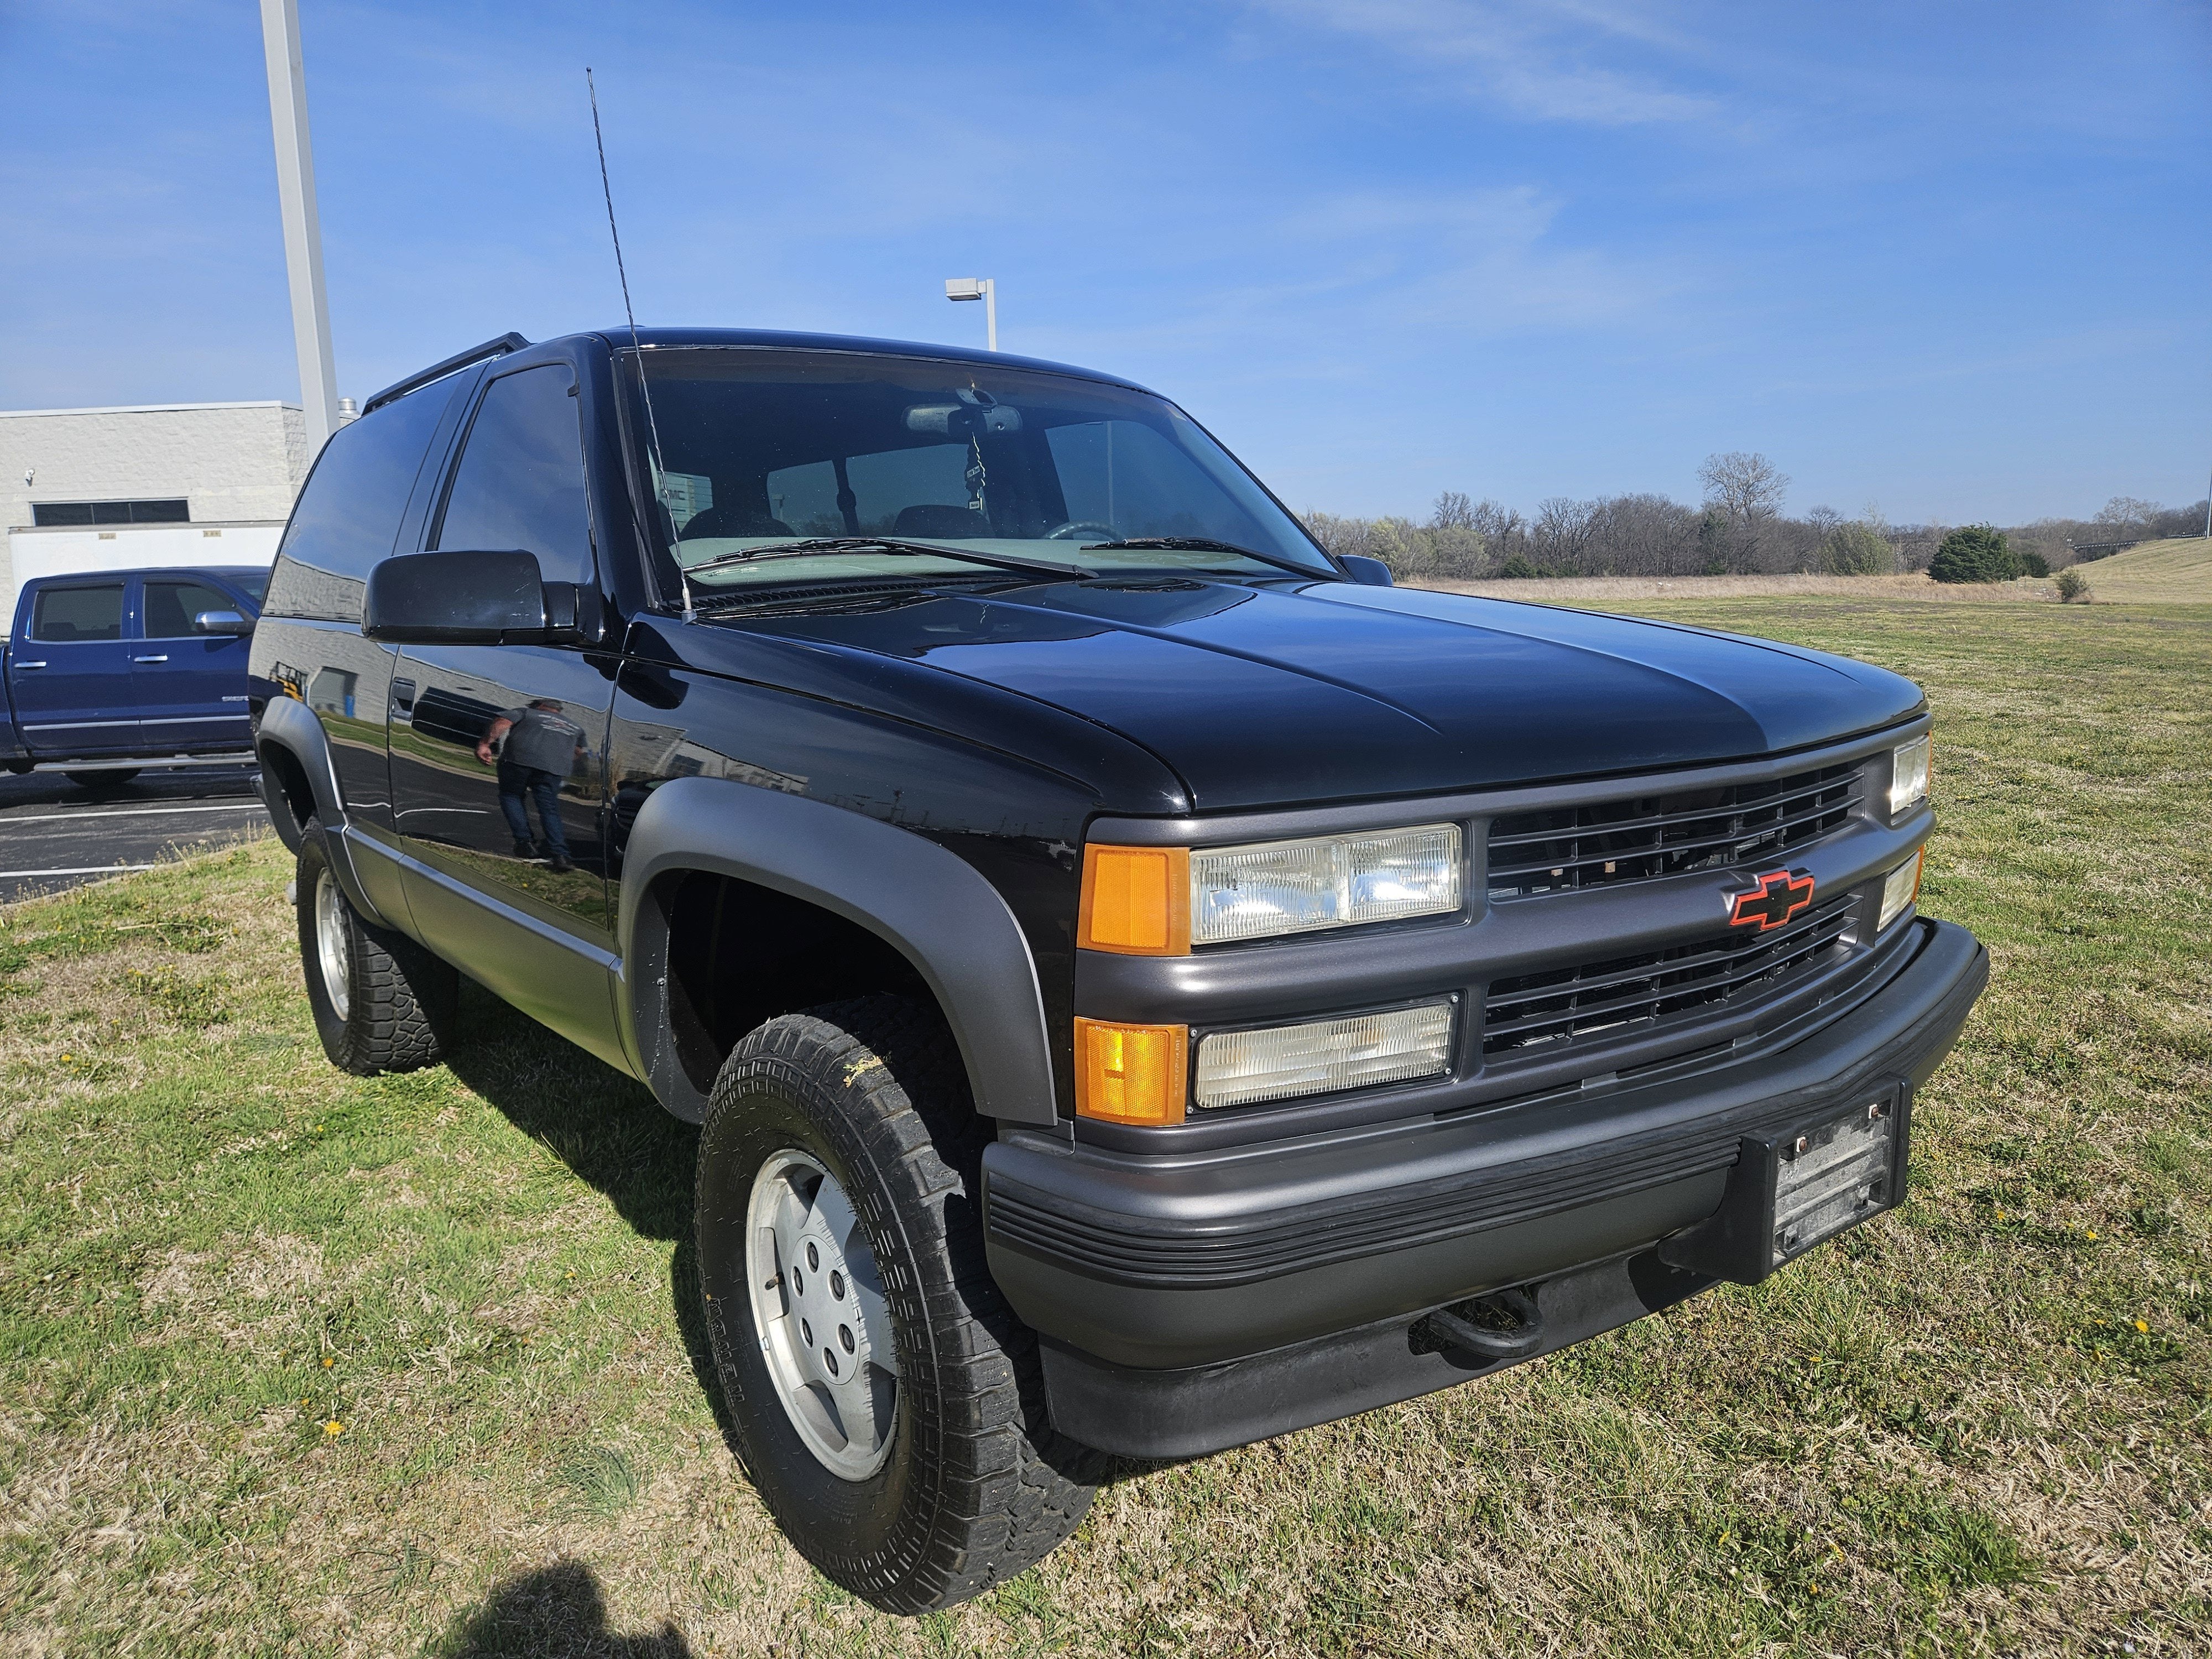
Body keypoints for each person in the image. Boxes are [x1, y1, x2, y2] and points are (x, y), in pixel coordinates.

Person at [477, 698, 587, 873]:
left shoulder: (526, 713)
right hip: (552, 770)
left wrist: (485, 744)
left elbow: (502, 723)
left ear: (539, 706)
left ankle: (525, 843)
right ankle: (561, 855)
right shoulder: (575, 727)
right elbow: (578, 751)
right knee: (549, 808)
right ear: (558, 710)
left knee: (511, 795)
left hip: (518, 761)